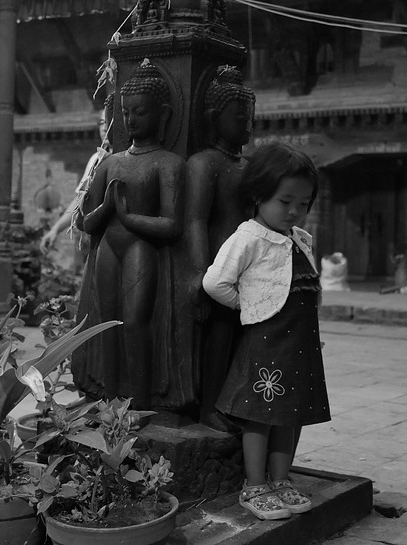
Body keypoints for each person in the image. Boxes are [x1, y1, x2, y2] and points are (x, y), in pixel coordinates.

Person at [202, 142, 331, 521]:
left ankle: (281, 479)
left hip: (301, 344)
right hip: (266, 343)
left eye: (304, 204)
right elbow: (215, 283)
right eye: (285, 201)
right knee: (260, 413)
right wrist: (251, 306)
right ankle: (255, 484)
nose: (294, 211)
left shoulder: (300, 239)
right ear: (259, 195)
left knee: (292, 414)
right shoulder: (249, 238)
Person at [74, 59, 189, 413]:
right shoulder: (110, 162)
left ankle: (138, 402)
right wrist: (107, 208)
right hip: (109, 246)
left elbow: (171, 225)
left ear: (163, 114)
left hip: (141, 247)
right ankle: (109, 398)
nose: (131, 120)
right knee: (106, 321)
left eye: (140, 112)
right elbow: (84, 222)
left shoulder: (168, 164)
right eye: (125, 112)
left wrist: (126, 215)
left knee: (136, 321)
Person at [185, 65, 255, 432]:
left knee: (243, 336)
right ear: (214, 118)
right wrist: (200, 270)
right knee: (219, 335)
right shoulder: (204, 164)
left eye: (250, 117)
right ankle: (209, 405)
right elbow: (195, 219)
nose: (247, 124)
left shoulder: (249, 165)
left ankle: (234, 401)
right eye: (239, 117)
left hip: (249, 261)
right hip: (217, 259)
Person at [39, 94, 114, 256]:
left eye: (108, 122)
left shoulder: (125, 158)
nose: (103, 128)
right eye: (101, 123)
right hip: (96, 240)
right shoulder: (96, 159)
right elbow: (80, 199)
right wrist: (56, 230)